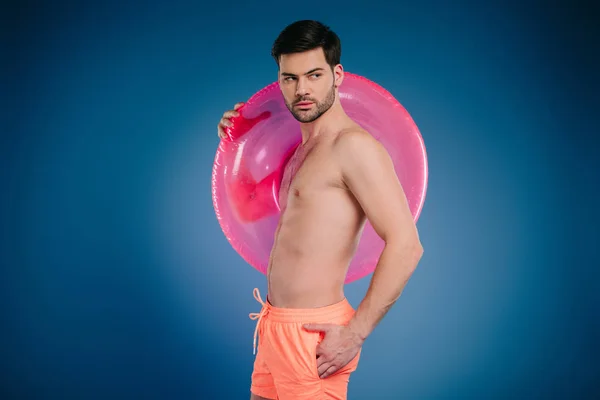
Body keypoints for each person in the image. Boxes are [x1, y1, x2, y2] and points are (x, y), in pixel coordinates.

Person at [217, 20, 424, 400]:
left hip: (313, 334)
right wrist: (237, 140)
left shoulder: (353, 148)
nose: (302, 89)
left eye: (314, 75)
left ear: (337, 74)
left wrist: (355, 333)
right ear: (279, 81)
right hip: (274, 327)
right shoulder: (297, 154)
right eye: (290, 78)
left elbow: (407, 245)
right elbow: (246, 210)